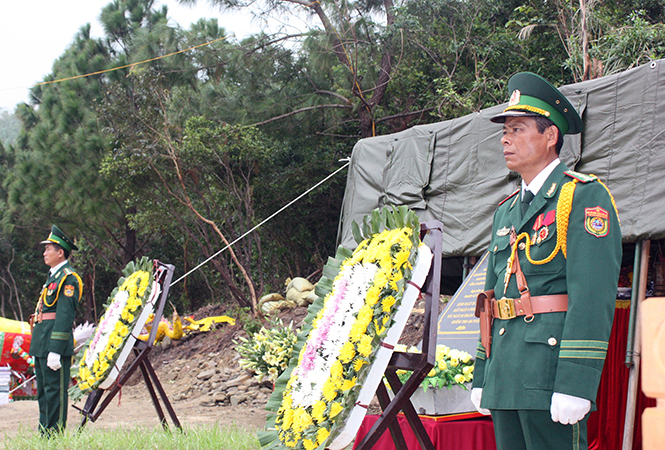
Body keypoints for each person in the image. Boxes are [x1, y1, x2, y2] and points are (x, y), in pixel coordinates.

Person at [470, 72, 622, 450]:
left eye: (518, 129)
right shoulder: (506, 212)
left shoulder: (583, 198)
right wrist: (482, 373)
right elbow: (491, 299)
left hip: (550, 375)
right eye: (505, 130)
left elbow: (592, 296)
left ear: (550, 135)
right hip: (506, 374)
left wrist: (576, 383)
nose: (505, 138)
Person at [29, 225, 83, 435]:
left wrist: (56, 349)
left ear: (61, 252)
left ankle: (55, 434)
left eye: (48, 249)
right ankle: (45, 432)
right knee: (43, 392)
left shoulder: (68, 278)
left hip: (53, 342)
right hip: (42, 340)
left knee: (55, 393)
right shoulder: (53, 277)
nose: (44, 253)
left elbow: (64, 315)